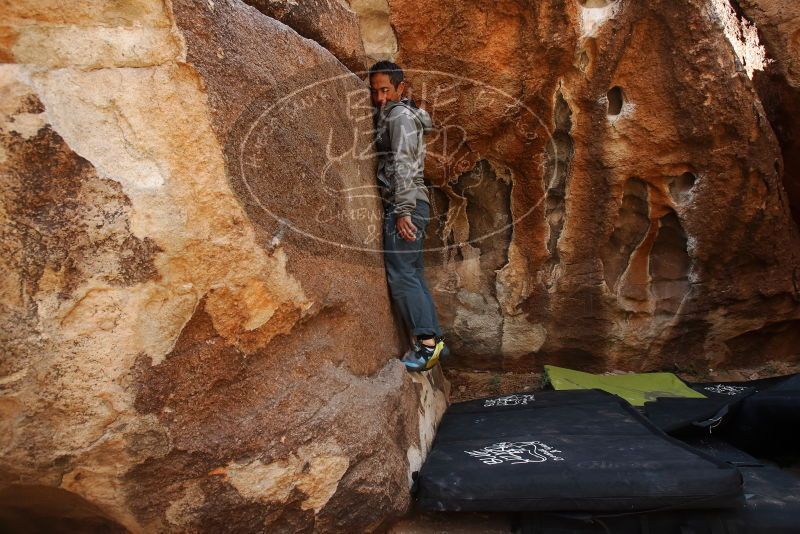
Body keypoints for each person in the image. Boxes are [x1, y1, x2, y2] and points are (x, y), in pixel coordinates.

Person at [368, 60, 448, 372]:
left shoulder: (400, 116)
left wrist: (402, 211)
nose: (380, 98)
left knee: (402, 274)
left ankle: (427, 346)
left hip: (407, 203)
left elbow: (403, 163)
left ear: (402, 88)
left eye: (386, 90)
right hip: (417, 202)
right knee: (413, 272)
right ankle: (434, 341)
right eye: (375, 92)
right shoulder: (404, 113)